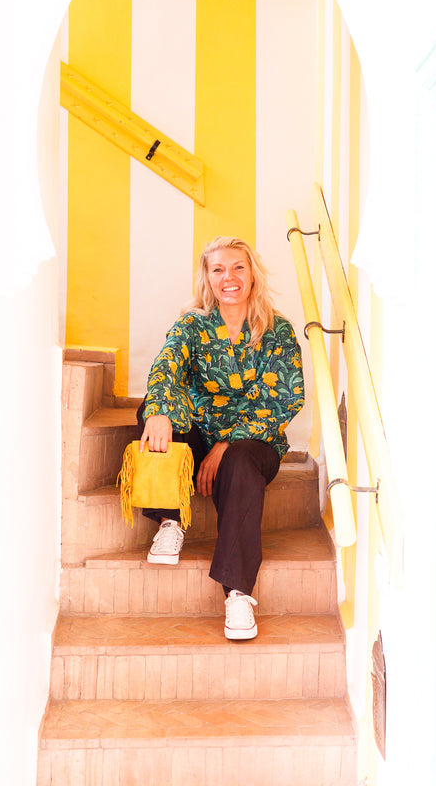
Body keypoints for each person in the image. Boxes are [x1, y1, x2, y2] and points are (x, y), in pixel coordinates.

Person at [137, 236, 304, 640]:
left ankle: (238, 594)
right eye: (218, 269)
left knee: (241, 462)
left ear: (252, 274)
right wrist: (158, 410)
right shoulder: (192, 325)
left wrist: (224, 446)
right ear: (208, 278)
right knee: (154, 410)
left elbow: (285, 398)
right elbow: (166, 366)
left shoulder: (277, 330)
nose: (229, 277)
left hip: (254, 443)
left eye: (238, 267)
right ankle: (170, 519)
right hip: (200, 432)